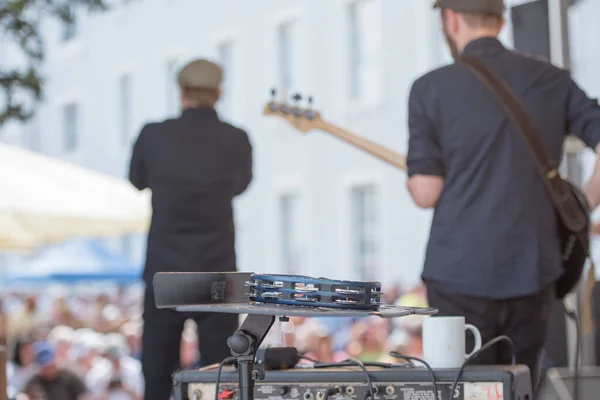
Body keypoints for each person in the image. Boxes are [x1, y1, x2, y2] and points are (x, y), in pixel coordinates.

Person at [406, 0, 600, 387]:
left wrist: (414, 177)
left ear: (451, 19)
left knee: (463, 388)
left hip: (458, 273)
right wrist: (582, 205)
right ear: (502, 20)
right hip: (532, 269)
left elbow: (427, 192)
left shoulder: (430, 88)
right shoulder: (552, 80)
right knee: (519, 384)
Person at [128, 59, 253, 400]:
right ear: (219, 93)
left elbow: (136, 180)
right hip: (217, 271)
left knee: (157, 372)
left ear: (181, 92)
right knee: (222, 376)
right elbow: (241, 185)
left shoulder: (153, 134)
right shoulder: (236, 139)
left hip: (165, 271)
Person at [21, 341, 88, 400]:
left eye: (50, 366)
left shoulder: (70, 377)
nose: (48, 370)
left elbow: (84, 396)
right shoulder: (35, 380)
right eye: (45, 367)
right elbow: (23, 395)